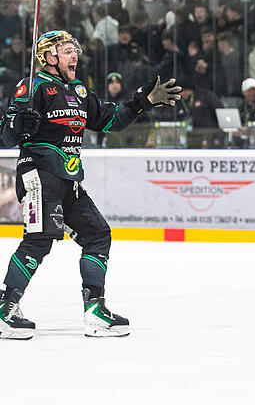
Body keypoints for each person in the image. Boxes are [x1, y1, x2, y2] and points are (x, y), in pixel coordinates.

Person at [0, 30, 181, 339]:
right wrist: (17, 125)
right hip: (39, 174)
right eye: (68, 50)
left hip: (68, 180)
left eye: (75, 51)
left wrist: (144, 101)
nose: (75, 56)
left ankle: (95, 311)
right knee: (39, 240)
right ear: (49, 57)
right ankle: (5, 310)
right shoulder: (32, 87)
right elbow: (6, 134)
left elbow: (111, 120)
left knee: (98, 235)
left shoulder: (79, 91)